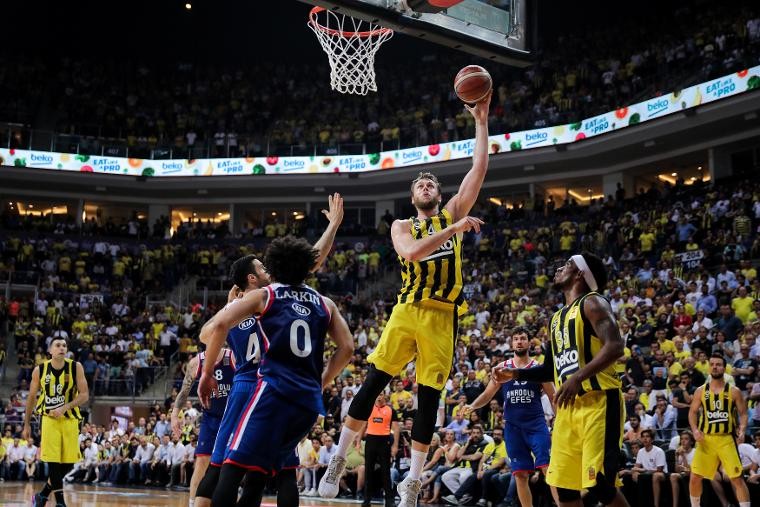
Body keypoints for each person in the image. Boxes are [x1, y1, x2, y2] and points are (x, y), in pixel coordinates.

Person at [320, 91, 492, 507]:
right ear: (414, 197)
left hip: (443, 316)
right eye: (420, 183)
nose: (426, 185)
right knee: (374, 380)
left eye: (431, 182)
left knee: (429, 399)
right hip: (408, 311)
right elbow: (412, 254)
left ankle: (413, 482)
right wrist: (455, 230)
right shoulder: (402, 225)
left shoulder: (453, 210)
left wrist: (481, 121)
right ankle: (339, 458)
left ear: (438, 192)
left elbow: (479, 168)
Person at [194, 193, 343, 507]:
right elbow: (347, 347)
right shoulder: (310, 300)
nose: (265, 268)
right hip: (295, 393)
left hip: (263, 387)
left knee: (229, 465)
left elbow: (210, 331)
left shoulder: (265, 296)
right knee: (271, 471)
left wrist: (206, 372)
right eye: (261, 266)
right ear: (253, 276)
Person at [493, 253, 630, 507]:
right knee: (563, 487)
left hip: (599, 403)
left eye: (567, 264)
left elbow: (615, 346)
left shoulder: (593, 303)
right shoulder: (556, 319)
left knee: (599, 482)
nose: (559, 268)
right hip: (569, 409)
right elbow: (549, 370)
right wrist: (517, 373)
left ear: (580, 274)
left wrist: (578, 377)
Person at [463, 327, 556, 507]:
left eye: (523, 338)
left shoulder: (538, 368)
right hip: (513, 428)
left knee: (549, 470)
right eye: (516, 339)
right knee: (520, 474)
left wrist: (560, 420)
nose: (519, 341)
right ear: (512, 343)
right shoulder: (502, 369)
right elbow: (488, 394)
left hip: (536, 425)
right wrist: (472, 405)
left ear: (529, 342)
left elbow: (553, 397)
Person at [24, 336, 89, 507]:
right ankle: (60, 502)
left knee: (68, 464)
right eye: (58, 345)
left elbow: (84, 395)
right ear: (50, 350)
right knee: (53, 461)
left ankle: (43, 494)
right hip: (49, 419)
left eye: (64, 345)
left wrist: (64, 407)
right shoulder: (40, 370)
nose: (62, 347)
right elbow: (31, 397)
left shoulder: (76, 367)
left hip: (70, 419)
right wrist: (26, 424)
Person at [171, 347, 235, 506]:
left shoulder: (232, 356)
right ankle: (192, 503)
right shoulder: (196, 362)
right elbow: (184, 392)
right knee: (201, 461)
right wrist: (174, 414)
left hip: (231, 418)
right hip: (210, 418)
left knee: (230, 465)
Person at [687, 353, 750, 507]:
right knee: (695, 477)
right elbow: (692, 412)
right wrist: (695, 430)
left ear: (724, 367)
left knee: (737, 478)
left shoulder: (734, 391)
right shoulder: (701, 391)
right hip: (706, 439)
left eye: (718, 364)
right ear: (709, 367)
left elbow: (743, 414)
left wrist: (742, 430)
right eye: (712, 364)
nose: (715, 367)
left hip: (726, 439)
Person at [362, 392, 401, 507]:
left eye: (381, 394)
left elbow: (396, 428)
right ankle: (367, 499)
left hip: (384, 441)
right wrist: (358, 440)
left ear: (385, 396)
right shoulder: (369, 408)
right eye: (377, 394)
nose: (379, 396)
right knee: (368, 471)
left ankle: (389, 500)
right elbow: (363, 425)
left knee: (386, 471)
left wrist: (395, 446)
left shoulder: (391, 410)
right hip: (370, 440)